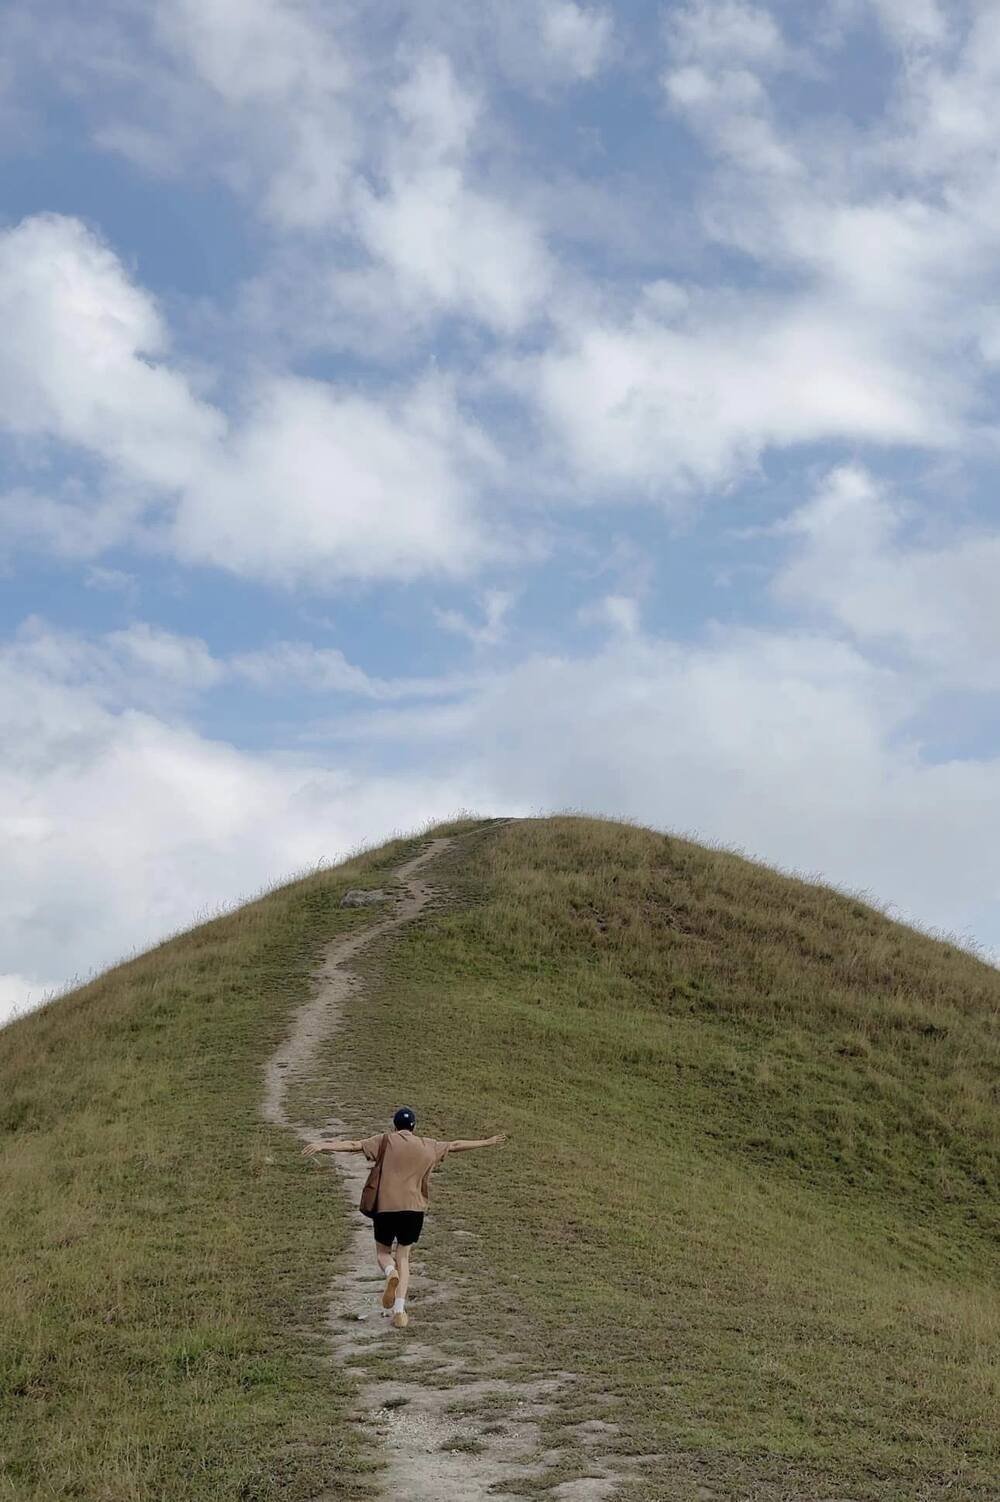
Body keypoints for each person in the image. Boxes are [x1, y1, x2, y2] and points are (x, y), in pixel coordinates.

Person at [303, 1106, 505, 1328]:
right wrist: (487, 1141)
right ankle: (399, 1311)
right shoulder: (428, 1145)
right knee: (404, 1257)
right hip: (414, 1209)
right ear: (414, 1126)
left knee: (382, 1253)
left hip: (386, 1207)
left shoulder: (384, 1141)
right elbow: (455, 1145)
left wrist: (323, 1145)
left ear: (395, 1125)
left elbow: (354, 1145)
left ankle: (390, 1273)